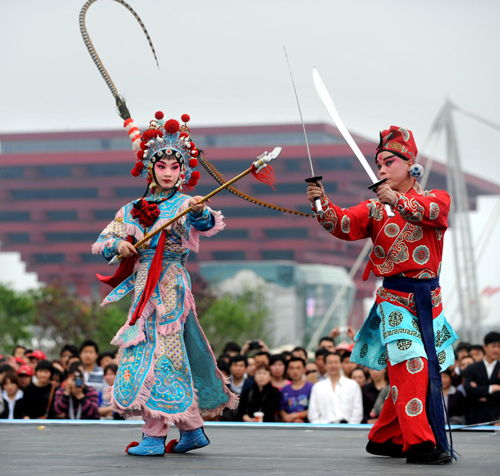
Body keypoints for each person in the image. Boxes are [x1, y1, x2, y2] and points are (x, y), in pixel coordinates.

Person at [307, 126, 457, 464]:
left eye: (388, 162)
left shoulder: (437, 197)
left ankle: (384, 436)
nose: (382, 169)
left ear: (411, 163)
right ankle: (419, 443)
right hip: (395, 301)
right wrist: (320, 201)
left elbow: (433, 212)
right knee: (412, 364)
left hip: (430, 303)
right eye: (378, 165)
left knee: (419, 369)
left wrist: (398, 201)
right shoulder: (374, 209)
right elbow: (342, 224)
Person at [92, 111, 236, 456]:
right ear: (150, 169)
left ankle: (154, 435)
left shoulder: (186, 204)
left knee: (158, 352)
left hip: (171, 284)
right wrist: (121, 244)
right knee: (170, 351)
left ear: (183, 171)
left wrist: (199, 211)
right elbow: (104, 240)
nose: (169, 172)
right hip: (144, 283)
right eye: (162, 166)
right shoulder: (132, 209)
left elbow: (205, 222)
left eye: (175, 167)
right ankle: (191, 429)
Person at [308, 352, 362, 424]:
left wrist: (350, 429)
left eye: (336, 362)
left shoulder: (353, 385)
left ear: (341, 364)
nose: (333, 365)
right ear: (325, 365)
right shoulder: (317, 387)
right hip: (324, 429)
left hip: (348, 428)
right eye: (330, 363)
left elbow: (357, 412)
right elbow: (313, 414)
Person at [464, 331, 500, 424]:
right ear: (485, 347)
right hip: (476, 418)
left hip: (497, 418)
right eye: (493, 346)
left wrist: (482, 395)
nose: (496, 350)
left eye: (499, 347)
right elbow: (469, 390)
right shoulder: (473, 367)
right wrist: (492, 388)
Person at [280, 358, 313, 423]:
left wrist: (296, 416)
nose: (295, 371)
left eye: (298, 368)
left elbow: (314, 409)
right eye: (292, 368)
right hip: (289, 425)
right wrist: (287, 417)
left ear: (304, 370)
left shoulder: (311, 388)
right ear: (287, 370)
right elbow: (281, 409)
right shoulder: (284, 389)